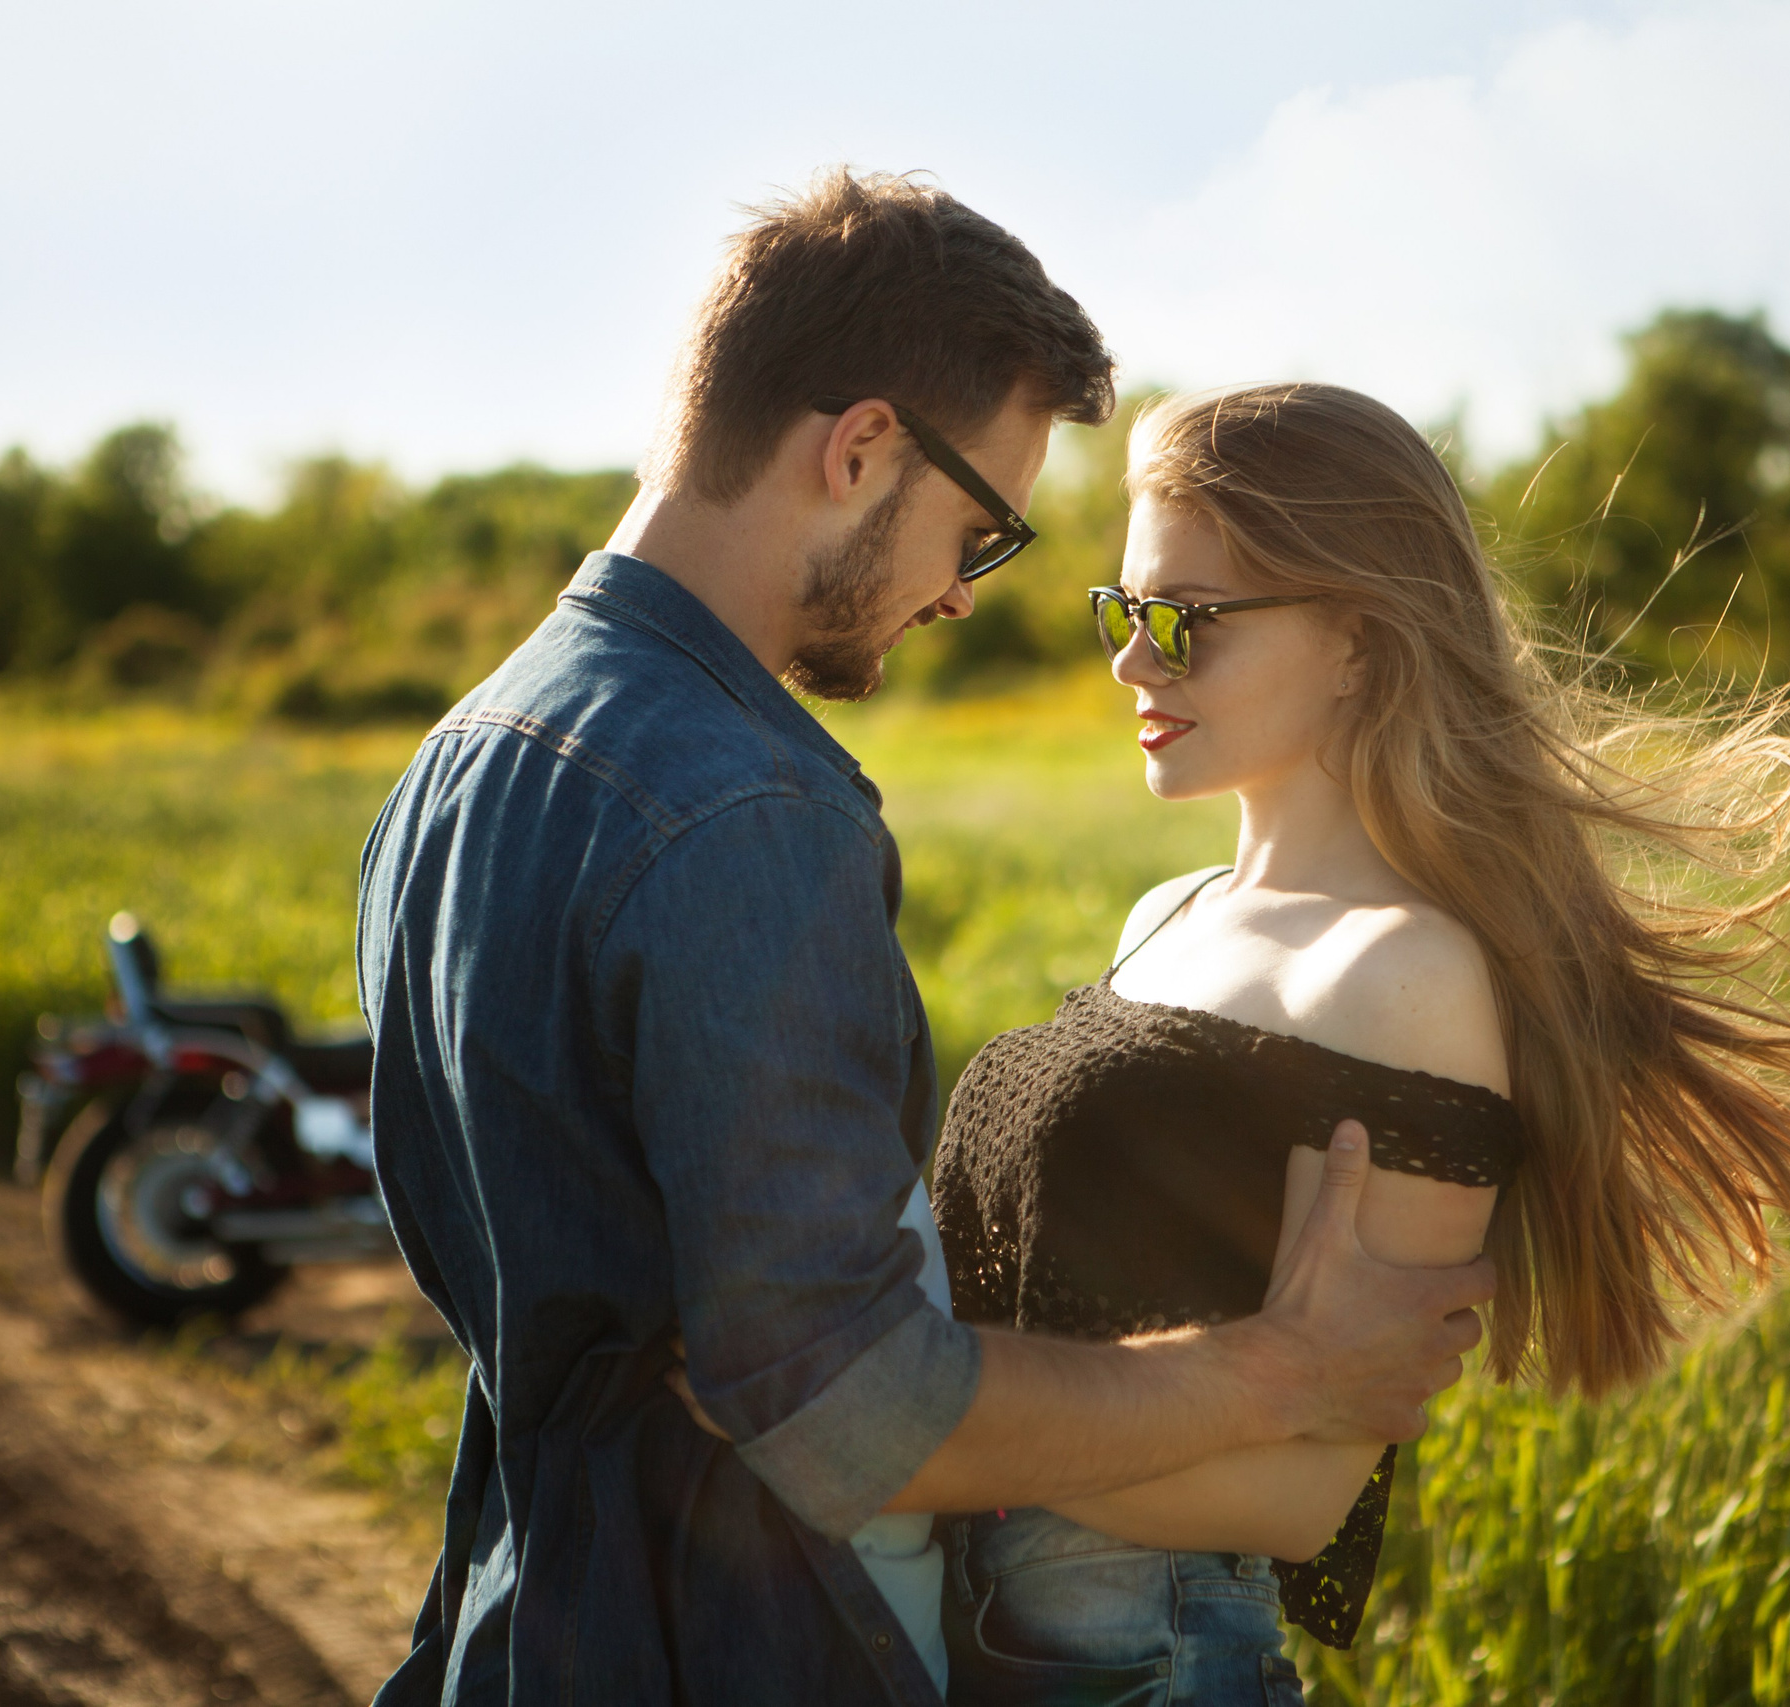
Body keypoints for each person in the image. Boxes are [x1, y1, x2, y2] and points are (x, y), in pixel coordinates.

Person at [354, 176, 1496, 1707]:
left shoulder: (461, 757)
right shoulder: (748, 808)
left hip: (524, 1625)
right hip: (725, 1654)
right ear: (861, 449)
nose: (962, 594)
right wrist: (1270, 1371)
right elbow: (848, 1410)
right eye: (981, 531)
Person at [927, 382, 1790, 1701]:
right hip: (967, 1627)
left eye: (1185, 622)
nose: (1136, 662)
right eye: (1124, 614)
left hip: (1143, 1661)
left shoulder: (1403, 972)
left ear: (1360, 644)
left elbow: (1308, 1491)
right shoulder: (1169, 911)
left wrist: (911, 1443)